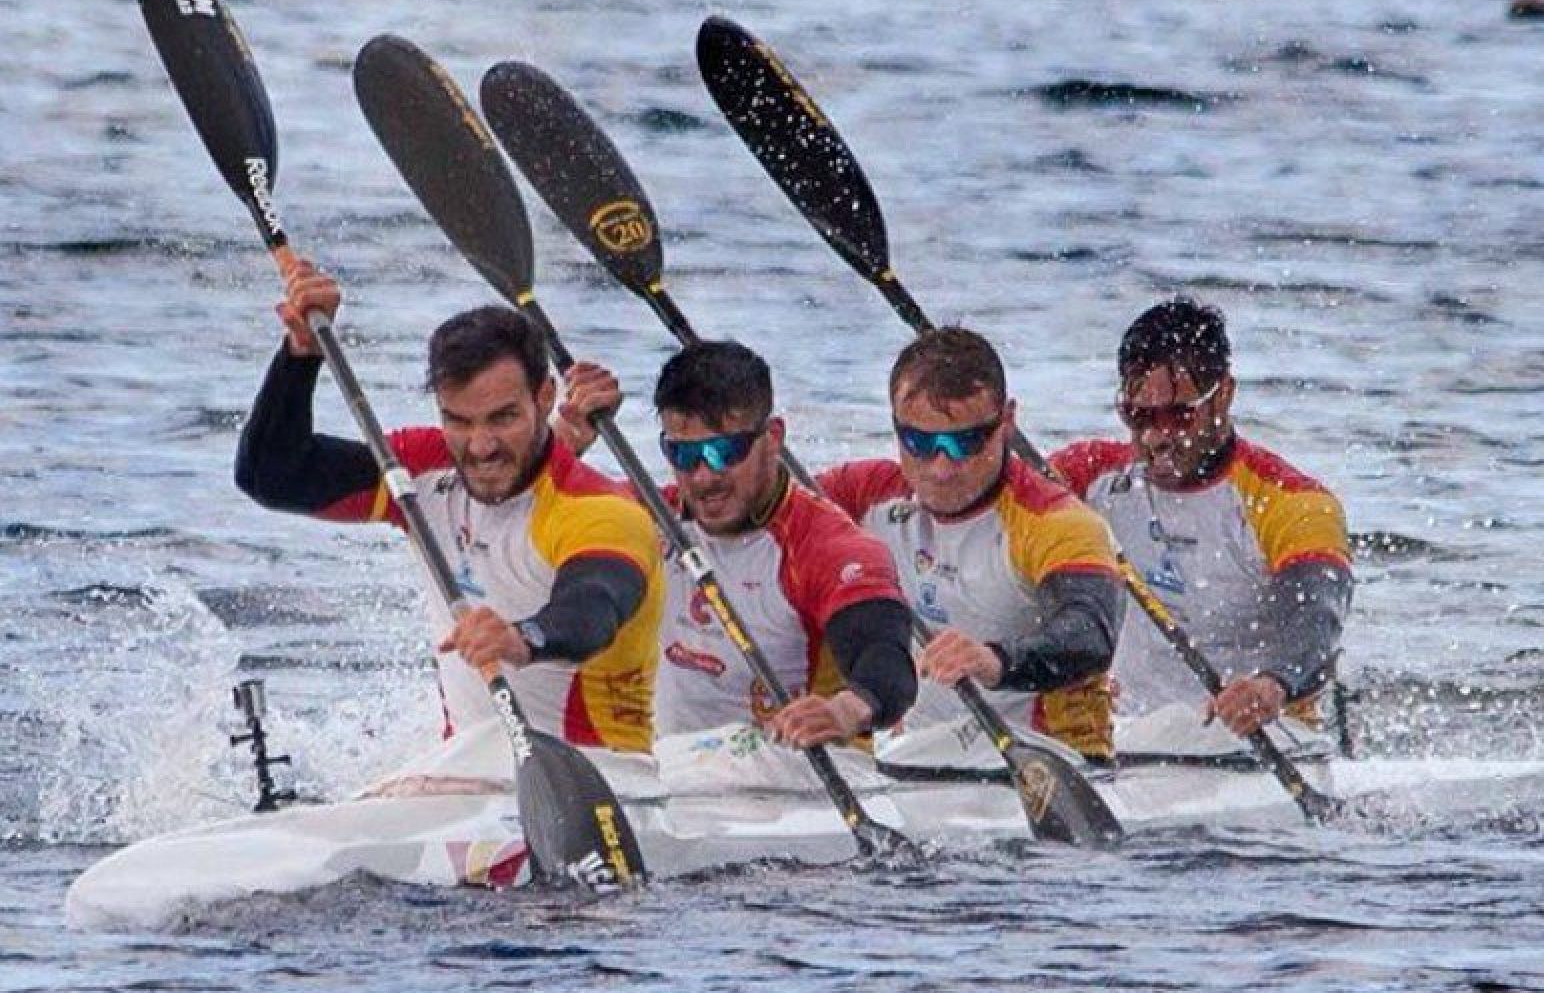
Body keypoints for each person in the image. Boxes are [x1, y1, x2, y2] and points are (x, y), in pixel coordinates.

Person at [234, 259, 663, 752]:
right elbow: (271, 475)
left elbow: (593, 609)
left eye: (503, 418)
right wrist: (301, 354)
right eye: (458, 421)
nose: (479, 447)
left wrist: (523, 639)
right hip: (465, 777)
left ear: (545, 397)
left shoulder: (600, 510)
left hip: (598, 774)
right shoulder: (421, 470)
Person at [557, 341, 918, 750]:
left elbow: (885, 661)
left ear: (773, 437)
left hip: (796, 780)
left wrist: (846, 710)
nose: (705, 476)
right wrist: (567, 439)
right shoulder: (649, 518)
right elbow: (514, 516)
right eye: (683, 453)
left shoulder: (825, 543)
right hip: (678, 772)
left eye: (724, 451)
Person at [816, 327, 1125, 764]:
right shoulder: (865, 495)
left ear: (1006, 423)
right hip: (917, 762)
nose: (941, 469)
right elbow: (757, 512)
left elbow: (1090, 634)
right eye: (919, 443)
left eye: (964, 443)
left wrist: (993, 661)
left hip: (1051, 765)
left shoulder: (1057, 522)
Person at [1050, 296, 1352, 741]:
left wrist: (1273, 683)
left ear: (1224, 395)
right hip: (1129, 738)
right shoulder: (1088, 475)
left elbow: (1318, 615)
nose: (1155, 437)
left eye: (1179, 416)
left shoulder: (1291, 502)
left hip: (1257, 740)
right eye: (1139, 416)